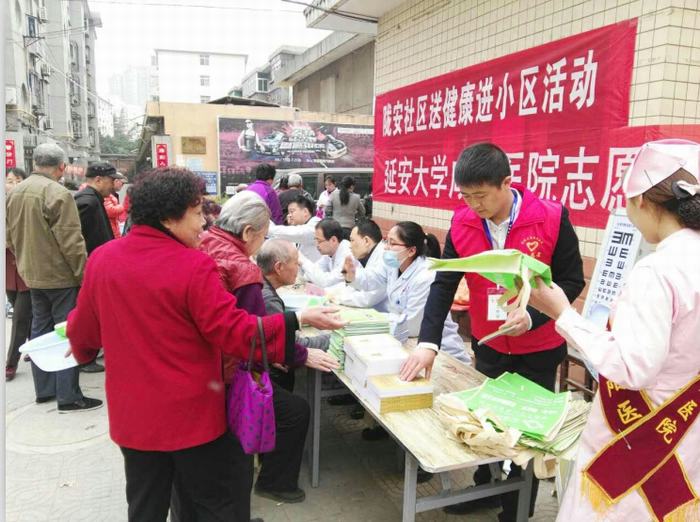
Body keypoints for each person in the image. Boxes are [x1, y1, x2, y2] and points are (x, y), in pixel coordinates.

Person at [66, 167, 344, 522]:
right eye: (197, 213)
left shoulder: (103, 258)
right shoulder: (193, 265)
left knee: (145, 504)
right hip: (190, 417)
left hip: (134, 417)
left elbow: (85, 335)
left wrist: (80, 346)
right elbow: (236, 332)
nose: (203, 224)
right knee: (210, 503)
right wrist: (296, 320)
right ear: (169, 216)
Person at [401, 143, 585, 520]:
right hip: (489, 345)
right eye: (466, 196)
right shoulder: (462, 222)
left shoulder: (550, 217)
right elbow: (444, 283)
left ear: (506, 183)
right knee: (484, 421)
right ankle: (484, 488)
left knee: (524, 435)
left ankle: (515, 511)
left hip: (538, 347)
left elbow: (571, 280)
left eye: (481, 195)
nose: (474, 205)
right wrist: (428, 342)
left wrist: (532, 315)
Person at [528, 139, 700, 522]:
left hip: (638, 430)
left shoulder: (658, 270)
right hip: (686, 423)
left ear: (640, 201)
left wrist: (562, 313)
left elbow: (633, 366)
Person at [198, 191, 339, 508]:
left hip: (206, 368)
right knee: (283, 417)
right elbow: (257, 337)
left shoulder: (203, 245)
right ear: (249, 232)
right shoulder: (242, 270)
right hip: (228, 372)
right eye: (263, 236)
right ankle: (273, 483)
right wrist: (301, 348)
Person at [5, 143, 99, 412]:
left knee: (40, 331)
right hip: (61, 277)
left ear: (35, 163)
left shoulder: (15, 192)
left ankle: (44, 390)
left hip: (31, 274)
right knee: (66, 332)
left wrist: (25, 262)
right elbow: (71, 241)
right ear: (61, 167)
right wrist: (84, 275)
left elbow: (9, 236)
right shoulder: (57, 192)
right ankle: (68, 396)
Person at [258, 238, 332, 391]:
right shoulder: (269, 300)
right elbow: (293, 345)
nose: (298, 267)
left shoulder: (262, 286)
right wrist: (336, 339)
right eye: (295, 263)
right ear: (279, 267)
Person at [5, 167, 32, 381]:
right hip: (8, 269)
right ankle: (33, 346)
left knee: (20, 318)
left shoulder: (28, 204)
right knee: (23, 312)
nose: (11, 185)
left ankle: (10, 363)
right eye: (8, 181)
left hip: (27, 268)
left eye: (16, 180)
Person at [330, 219, 389, 311]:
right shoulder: (369, 256)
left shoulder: (383, 258)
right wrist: (333, 294)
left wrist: (338, 298)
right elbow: (357, 287)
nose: (350, 245)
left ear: (366, 241)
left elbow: (369, 297)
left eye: (352, 240)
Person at [74, 162, 124, 255]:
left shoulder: (95, 198)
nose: (113, 186)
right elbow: (77, 239)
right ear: (98, 180)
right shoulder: (87, 202)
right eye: (111, 181)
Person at [268, 194, 322, 262]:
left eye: (292, 211)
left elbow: (299, 234)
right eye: (288, 213)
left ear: (305, 212)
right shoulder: (298, 228)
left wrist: (267, 228)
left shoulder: (317, 224)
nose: (289, 215)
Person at [299, 218, 352, 287]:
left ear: (333, 240)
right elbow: (310, 274)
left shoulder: (347, 254)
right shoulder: (329, 254)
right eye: (316, 240)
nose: (316, 245)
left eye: (319, 241)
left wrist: (303, 260)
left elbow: (326, 282)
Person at [104, 172, 126, 238]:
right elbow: (110, 211)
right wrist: (125, 205)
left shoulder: (112, 194)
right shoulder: (106, 193)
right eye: (122, 183)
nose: (123, 185)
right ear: (116, 181)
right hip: (109, 231)